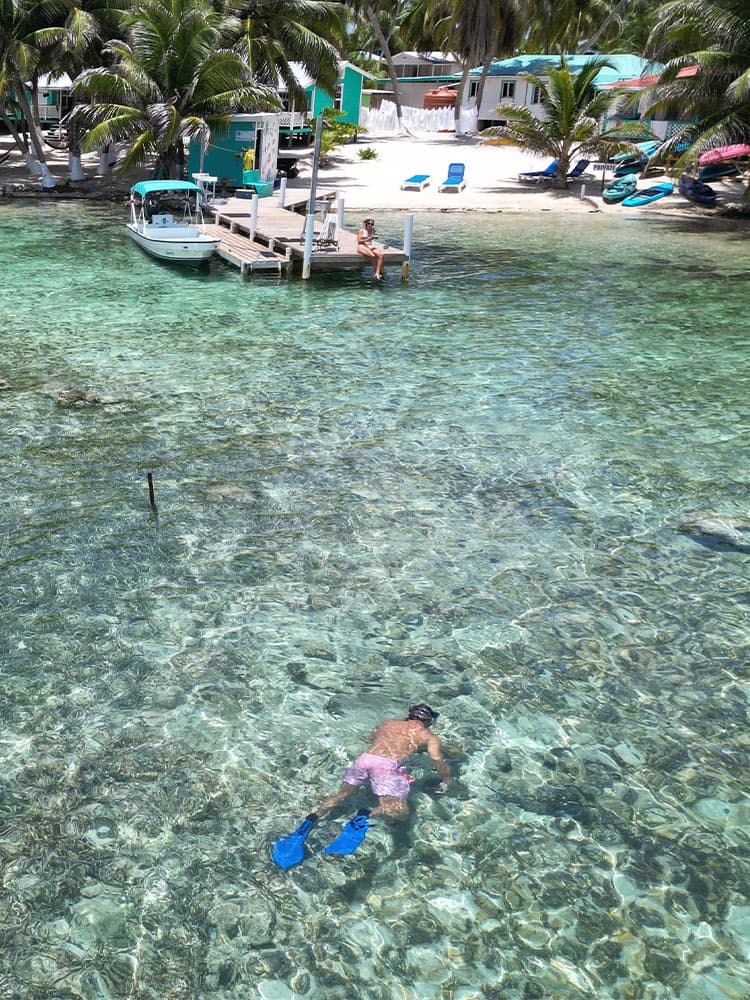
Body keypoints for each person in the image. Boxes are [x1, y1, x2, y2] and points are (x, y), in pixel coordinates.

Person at [271, 704, 452, 867]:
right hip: (387, 766)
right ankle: (364, 815)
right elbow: (437, 760)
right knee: (400, 812)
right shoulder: (429, 736)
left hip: (365, 760)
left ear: (410, 715)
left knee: (340, 796)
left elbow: (369, 738)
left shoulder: (388, 723)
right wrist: (446, 779)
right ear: (429, 721)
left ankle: (305, 827)